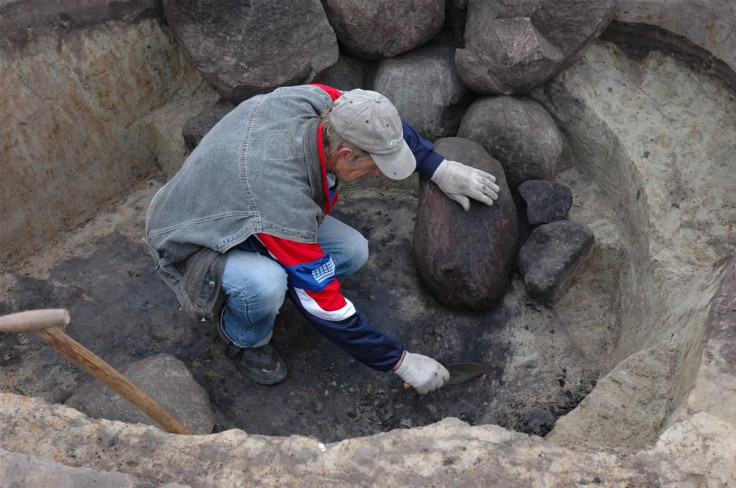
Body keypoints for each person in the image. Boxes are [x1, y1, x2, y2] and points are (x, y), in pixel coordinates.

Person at [145, 84, 500, 394]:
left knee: (352, 250)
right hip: (193, 237)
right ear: (345, 154)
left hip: (233, 203)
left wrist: (440, 167)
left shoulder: (325, 104)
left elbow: (380, 127)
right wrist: (399, 361)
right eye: (373, 167)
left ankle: (279, 270)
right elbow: (325, 304)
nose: (378, 173)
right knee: (266, 284)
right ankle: (244, 338)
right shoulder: (279, 194)